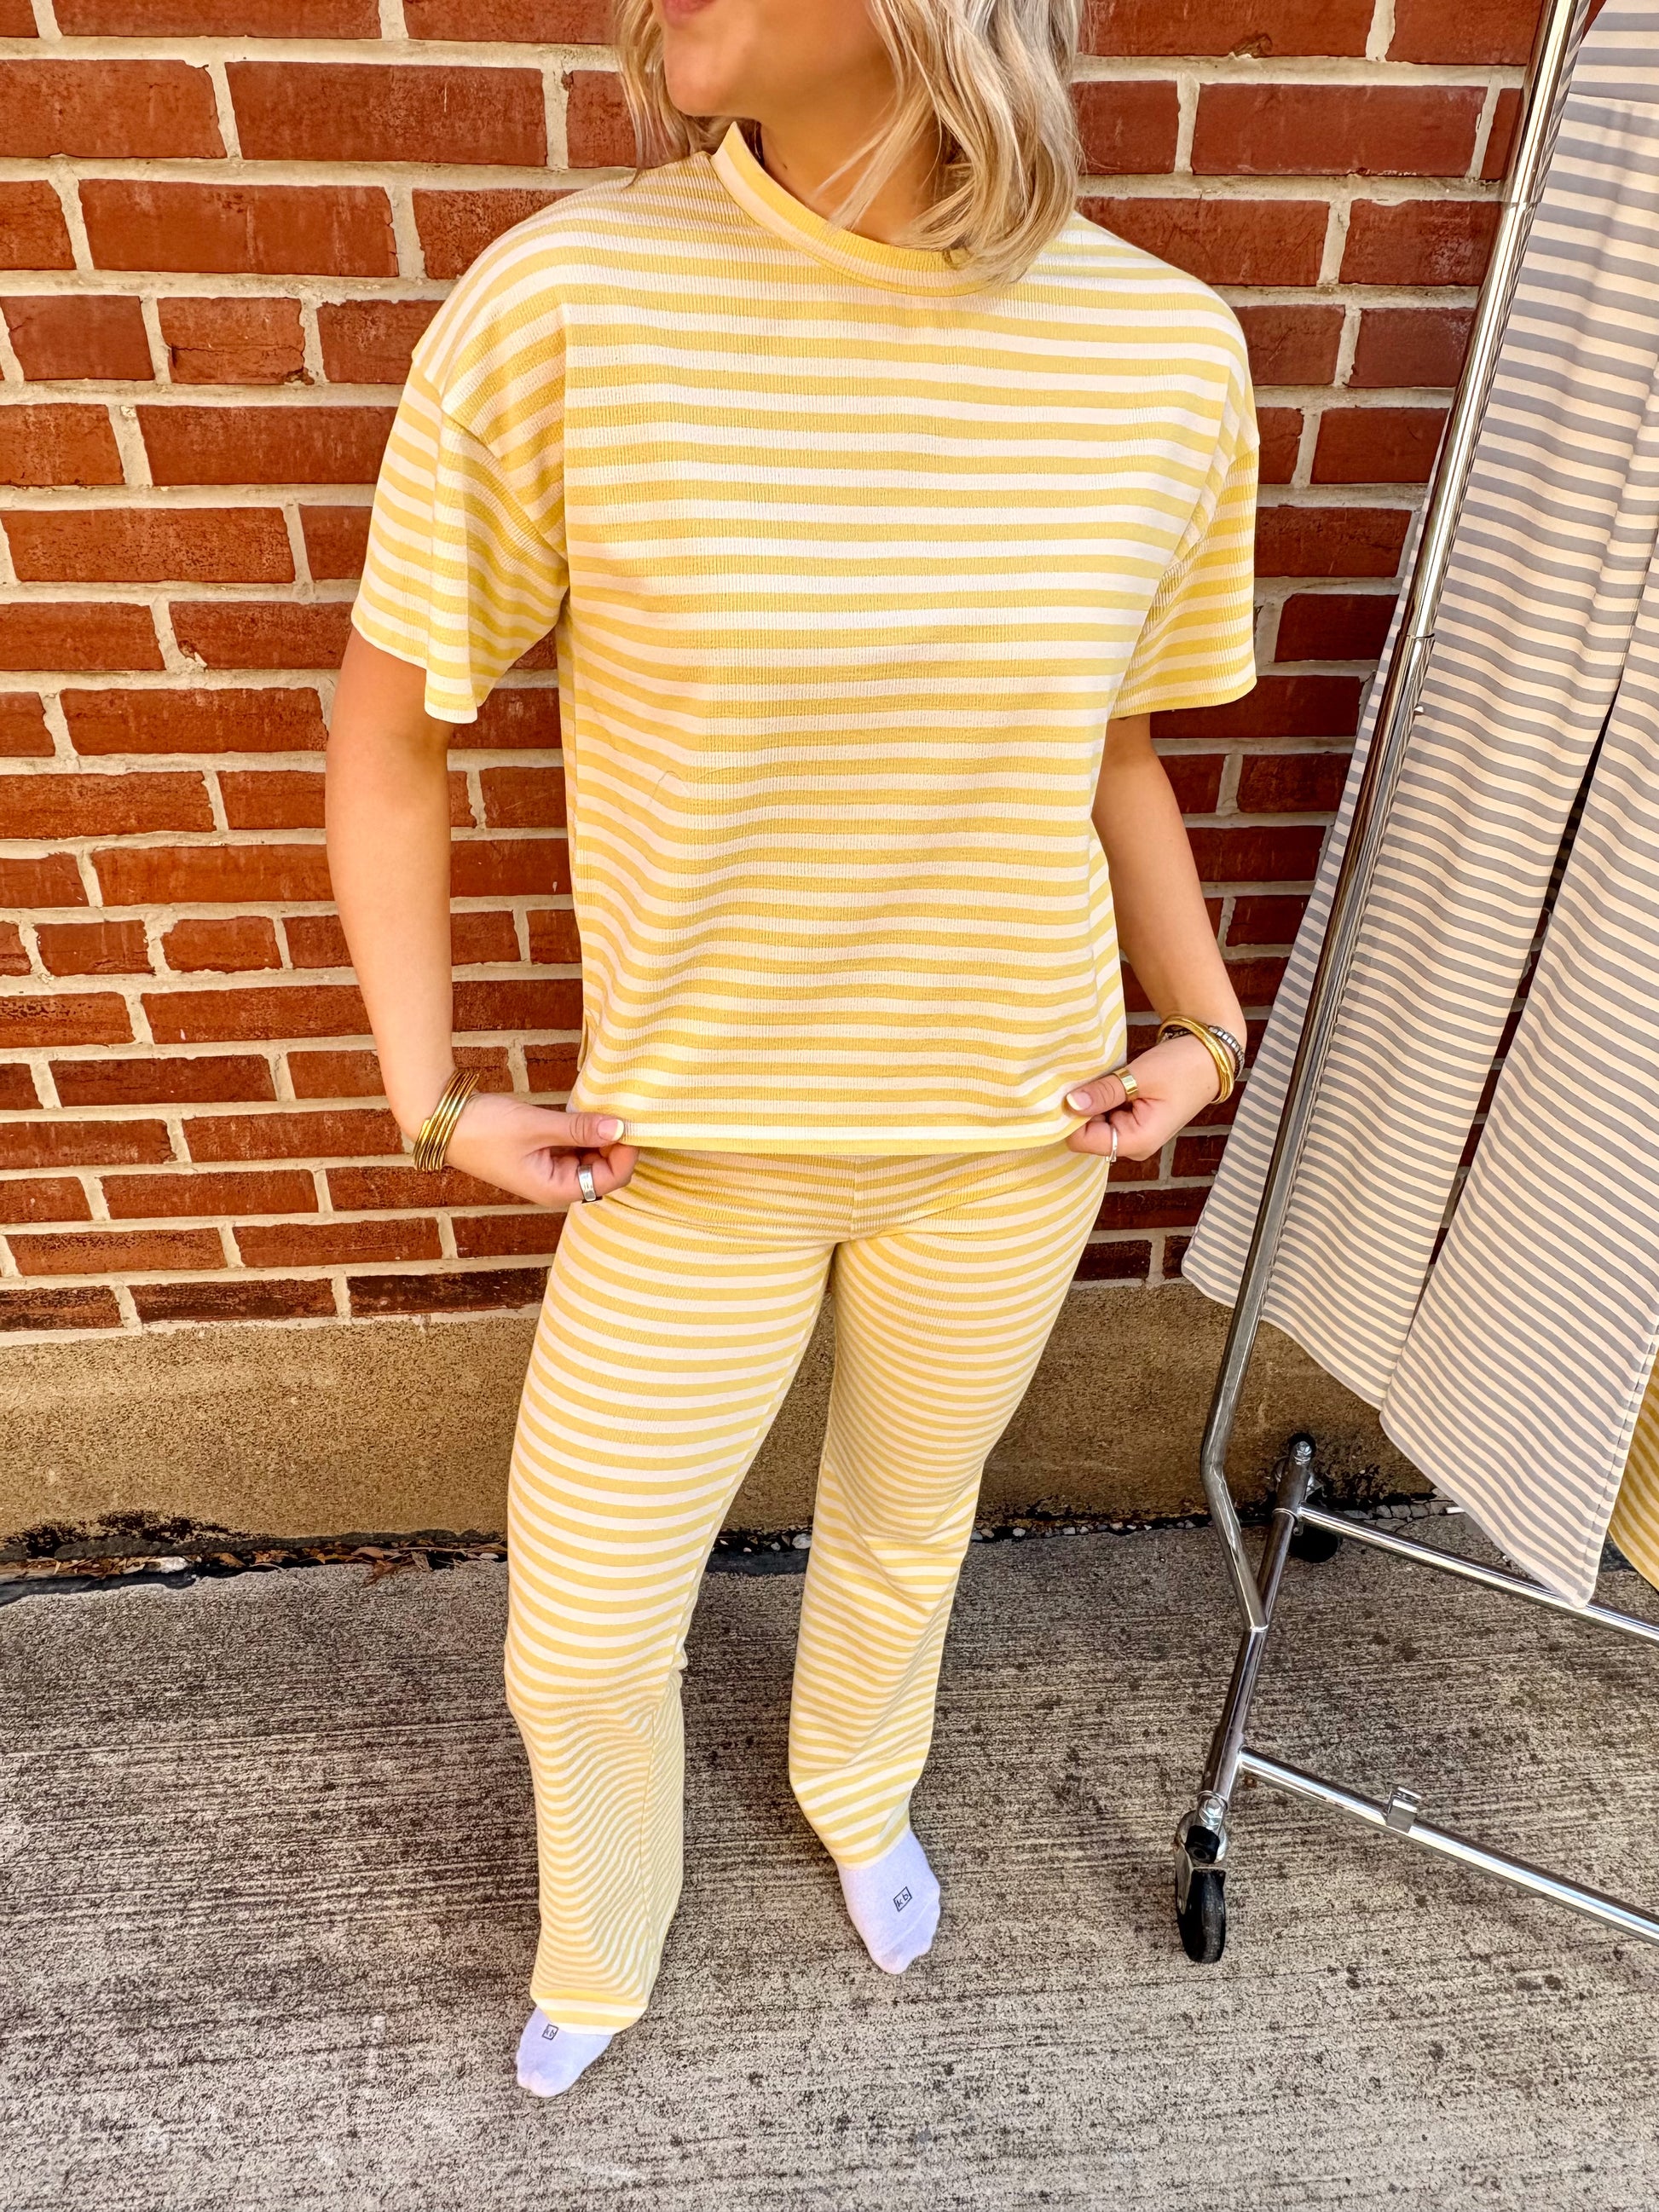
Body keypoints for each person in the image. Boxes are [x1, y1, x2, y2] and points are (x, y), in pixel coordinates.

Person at [326, 0, 1257, 2099]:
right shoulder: (571, 306)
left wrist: (1203, 1025)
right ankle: (602, 1934)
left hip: (1011, 1137)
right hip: (688, 1164)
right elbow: (387, 733)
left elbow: (1107, 749)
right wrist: (430, 1096)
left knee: (907, 1526)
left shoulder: (1163, 352)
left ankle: (856, 1781)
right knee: (581, 1625)